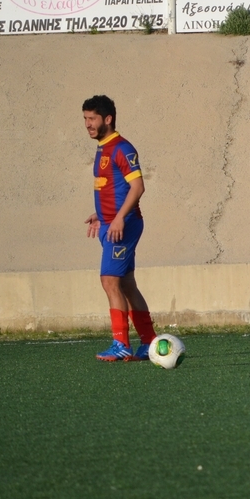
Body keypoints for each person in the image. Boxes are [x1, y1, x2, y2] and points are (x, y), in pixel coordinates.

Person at [81, 95, 158, 361]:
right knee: (126, 284)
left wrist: (119, 218)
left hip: (123, 227)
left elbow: (138, 187)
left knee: (109, 281)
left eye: (92, 119)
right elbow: (114, 187)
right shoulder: (103, 148)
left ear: (108, 119)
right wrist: (101, 215)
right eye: (85, 119)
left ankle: (121, 343)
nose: (88, 124)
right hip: (111, 223)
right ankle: (149, 342)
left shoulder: (122, 148)